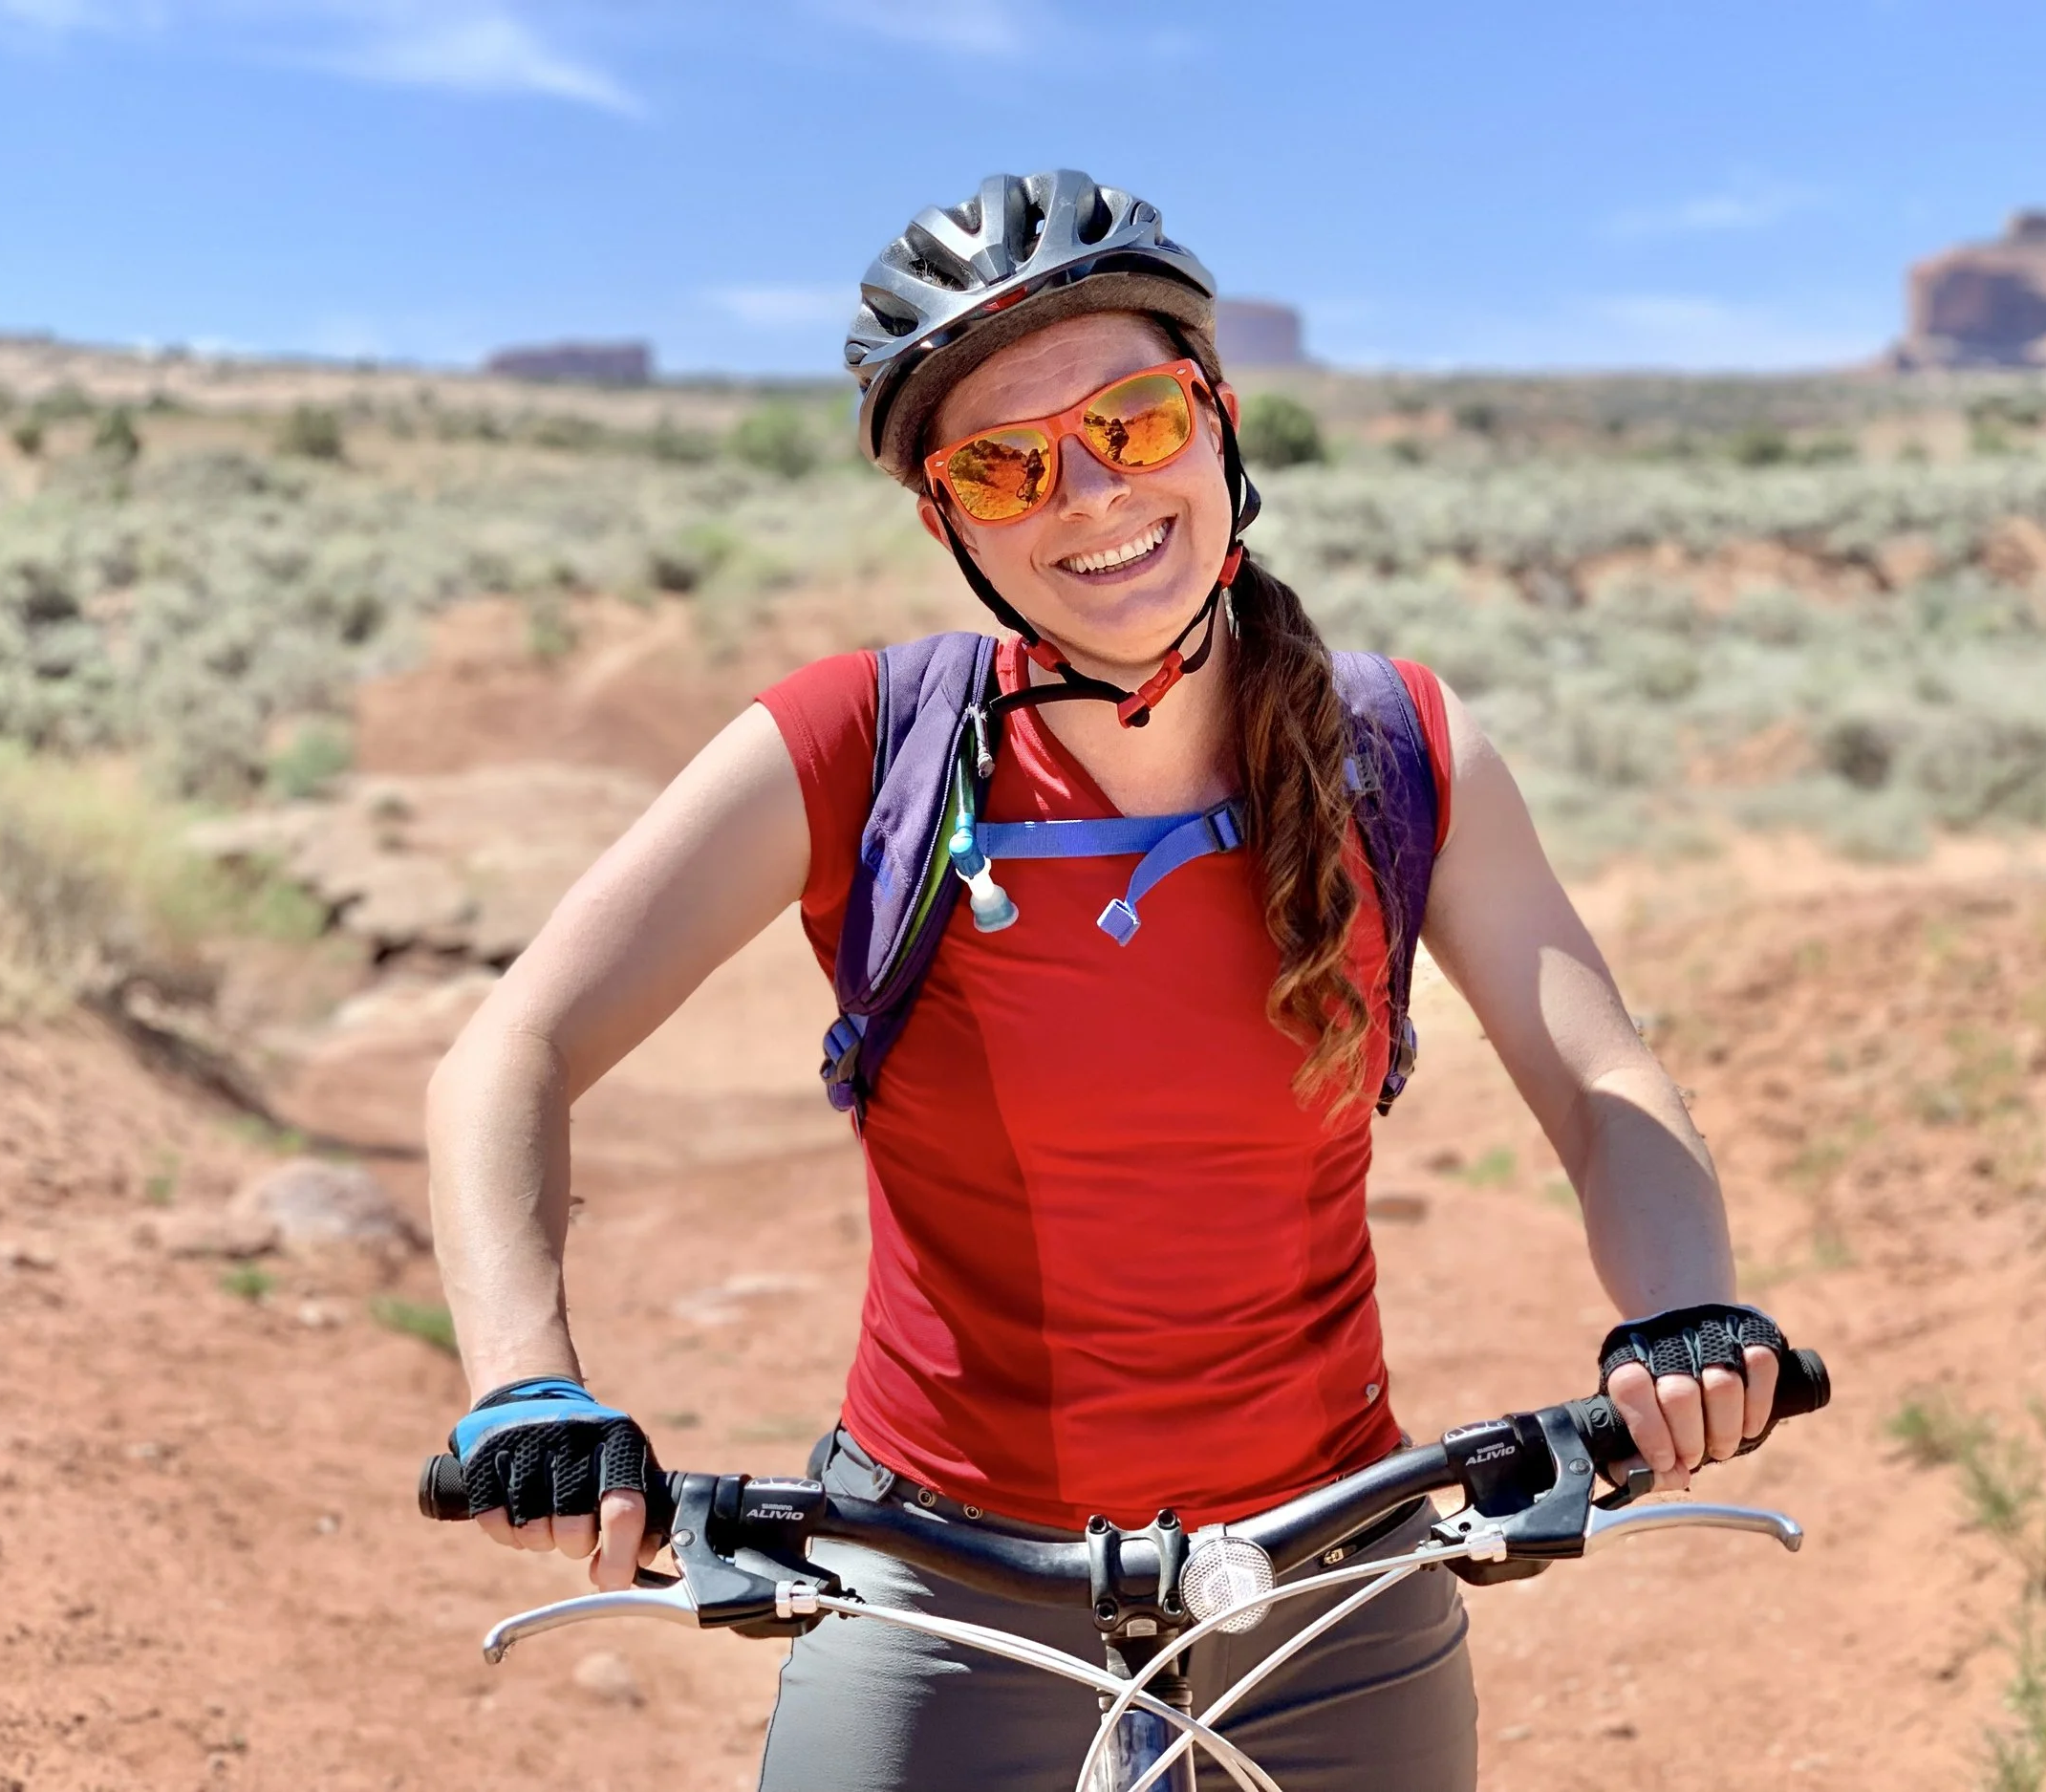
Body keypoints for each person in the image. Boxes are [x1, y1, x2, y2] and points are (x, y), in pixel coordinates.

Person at [425, 169, 1782, 1790]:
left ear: (1216, 424)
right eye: (1005, 463)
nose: (1087, 493)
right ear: (948, 521)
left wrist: (1680, 1308)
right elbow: (515, 1046)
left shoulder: (1400, 749)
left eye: (1133, 422)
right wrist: (529, 1382)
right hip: (937, 1574)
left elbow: (1596, 1074)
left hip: (1333, 1571)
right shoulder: (860, 750)